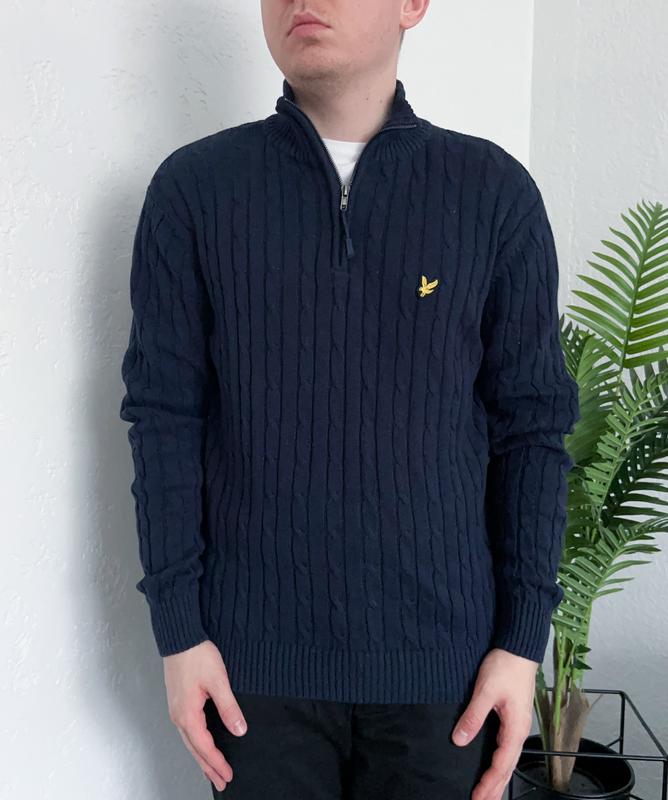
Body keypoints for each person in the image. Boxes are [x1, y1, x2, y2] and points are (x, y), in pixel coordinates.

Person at [118, 1, 580, 797]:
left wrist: (521, 642)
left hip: (448, 678)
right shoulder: (194, 191)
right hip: (251, 676)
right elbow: (164, 419)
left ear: (412, 5)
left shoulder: (493, 194)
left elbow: (532, 428)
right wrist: (179, 634)